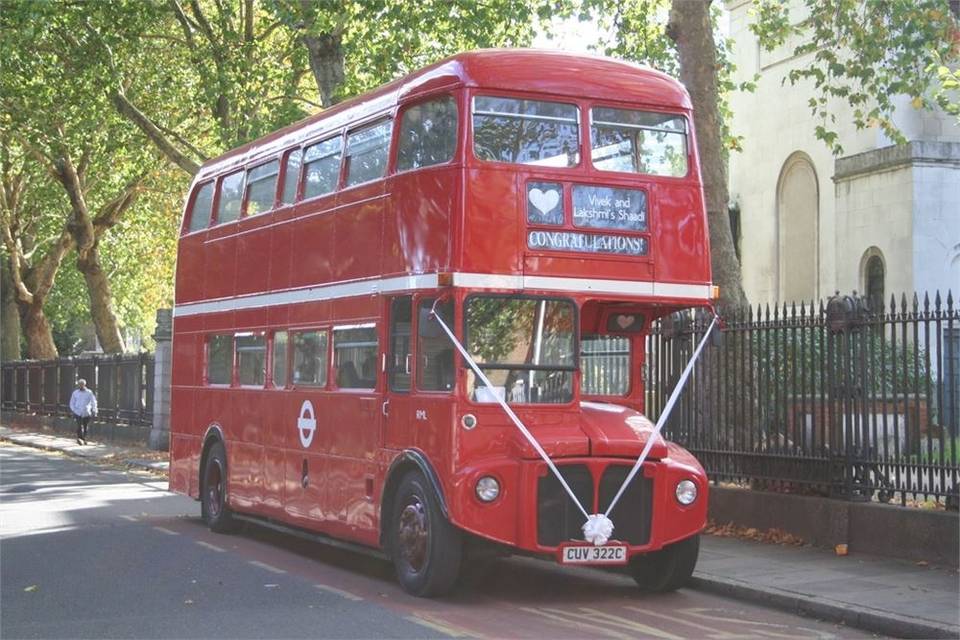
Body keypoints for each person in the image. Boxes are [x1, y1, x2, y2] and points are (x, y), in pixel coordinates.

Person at [69, 378, 97, 445]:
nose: (80, 386)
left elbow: (93, 402)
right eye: (79, 384)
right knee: (79, 426)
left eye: (82, 384)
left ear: (84, 384)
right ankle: (80, 439)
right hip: (78, 412)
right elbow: (71, 402)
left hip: (86, 412)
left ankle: (84, 439)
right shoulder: (75, 393)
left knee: (85, 427)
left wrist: (94, 410)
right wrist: (74, 410)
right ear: (78, 385)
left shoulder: (89, 392)